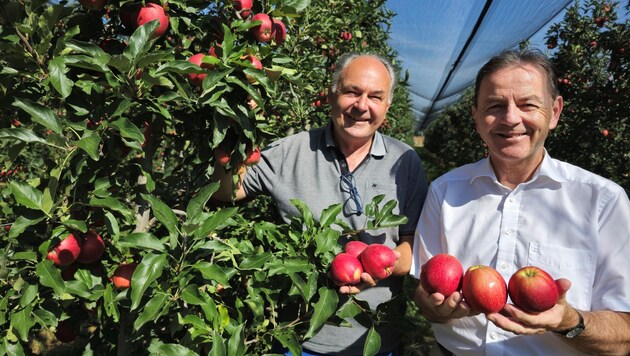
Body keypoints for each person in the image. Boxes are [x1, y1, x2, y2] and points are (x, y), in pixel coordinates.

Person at [410, 47, 630, 355]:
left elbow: (625, 334)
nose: (511, 118)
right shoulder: (444, 192)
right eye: (495, 105)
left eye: (528, 104)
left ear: (554, 112)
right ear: (476, 117)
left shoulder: (602, 201)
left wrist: (569, 322)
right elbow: (423, 293)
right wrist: (436, 308)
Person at [212, 52, 428, 355]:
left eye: (375, 97)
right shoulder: (291, 150)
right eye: (352, 91)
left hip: (373, 341)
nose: (362, 106)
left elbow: (412, 250)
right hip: (297, 340)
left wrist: (379, 265)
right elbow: (227, 191)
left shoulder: (405, 161)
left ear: (387, 106)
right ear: (331, 94)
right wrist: (234, 127)